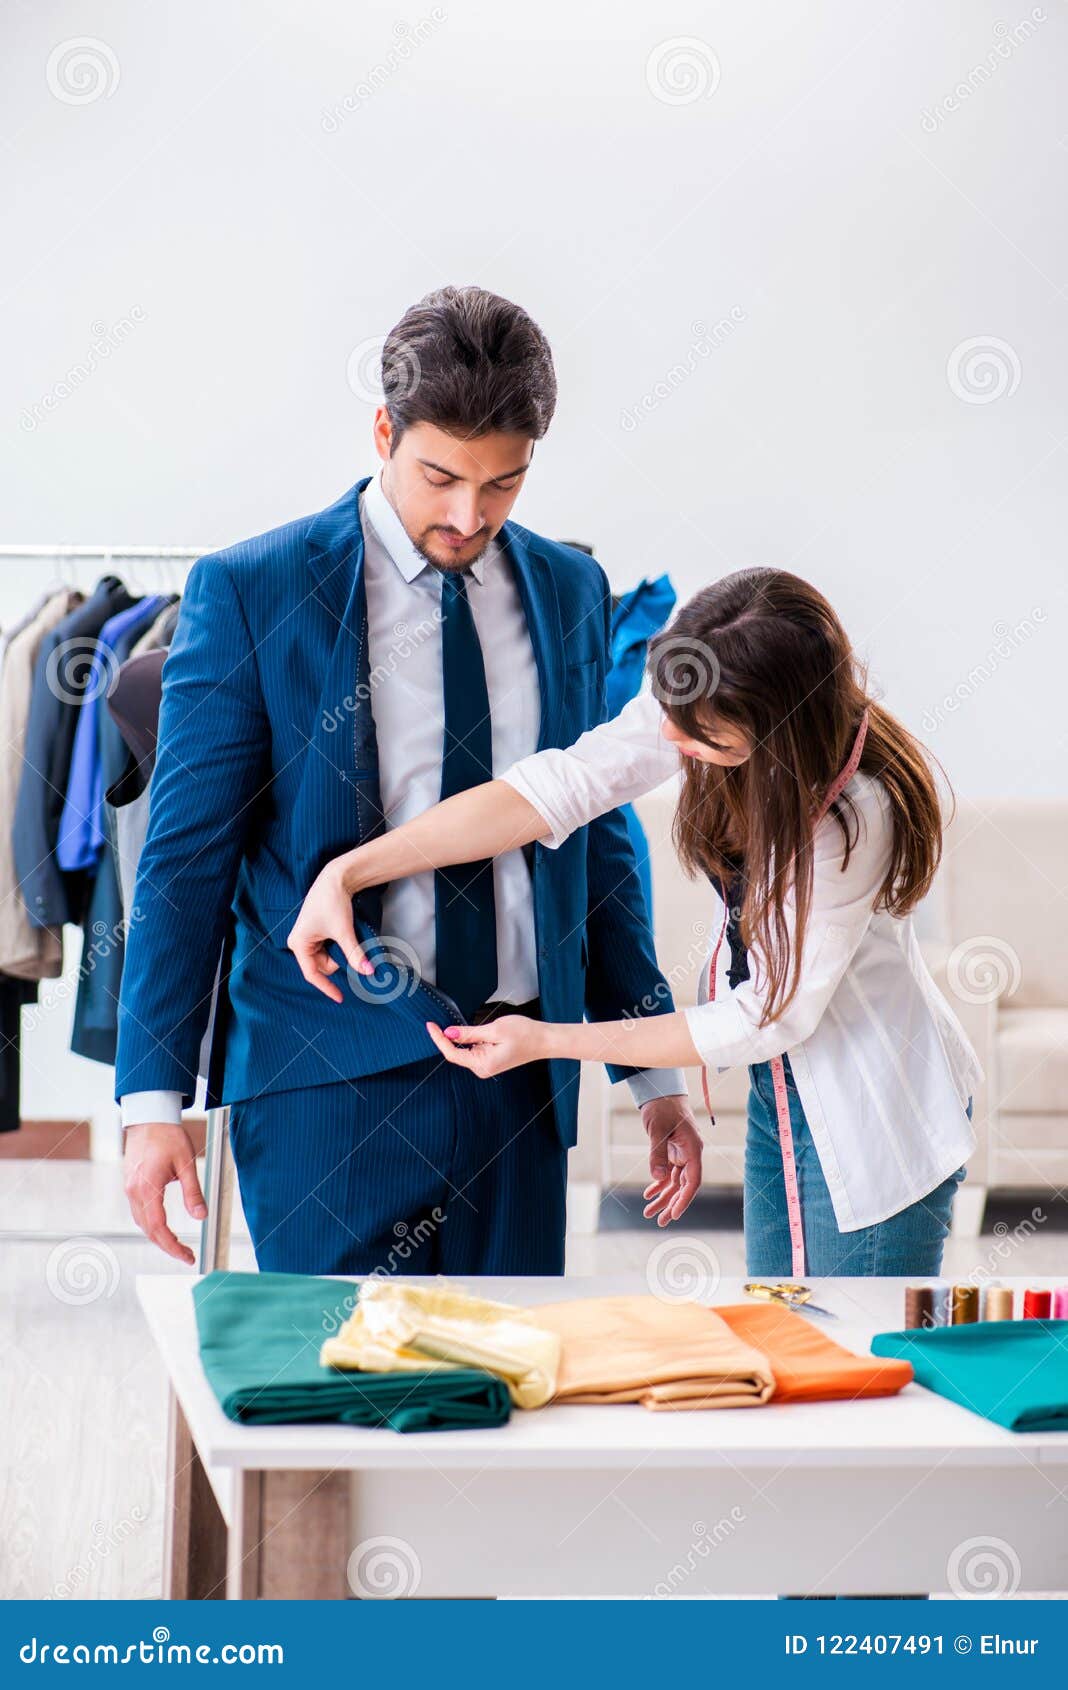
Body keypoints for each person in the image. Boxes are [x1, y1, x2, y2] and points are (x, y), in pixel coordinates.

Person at [117, 285, 702, 1277]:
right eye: (439, 477)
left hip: (522, 1078)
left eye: (503, 485)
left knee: (507, 1406)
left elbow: (598, 838)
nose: (468, 515)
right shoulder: (255, 587)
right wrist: (150, 1105)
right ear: (383, 430)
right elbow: (186, 859)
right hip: (324, 1081)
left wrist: (652, 1074)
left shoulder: (569, 590)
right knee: (334, 1406)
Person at [290, 569, 982, 1275]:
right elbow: (552, 788)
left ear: (778, 733)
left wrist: (550, 1041)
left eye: (703, 742)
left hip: (874, 1112)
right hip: (780, 1093)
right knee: (785, 1343)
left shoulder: (852, 814)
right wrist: (348, 874)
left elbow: (769, 1016)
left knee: (856, 1364)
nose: (675, 745)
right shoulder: (700, 694)